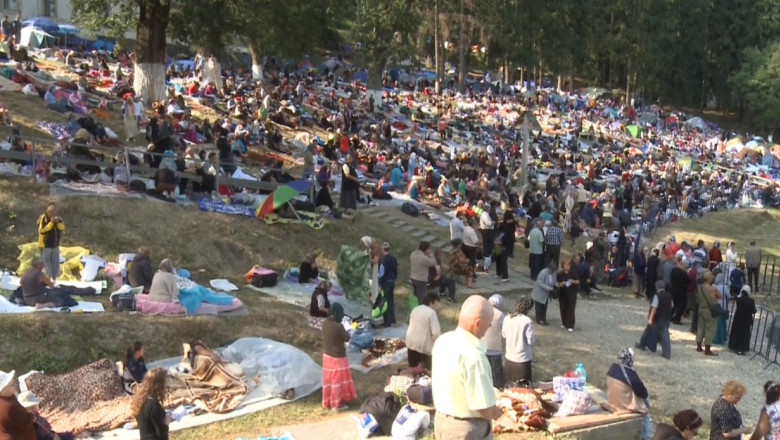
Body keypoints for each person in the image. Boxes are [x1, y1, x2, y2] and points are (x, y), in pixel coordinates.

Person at [432, 295, 503, 440]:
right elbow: (484, 408)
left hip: (442, 421)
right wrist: (499, 413)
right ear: (477, 323)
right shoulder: (474, 356)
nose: (489, 326)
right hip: (466, 429)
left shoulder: (442, 341)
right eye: (488, 323)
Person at [606, 348, 651, 440]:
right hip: (625, 405)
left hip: (612, 400)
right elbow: (643, 392)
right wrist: (648, 404)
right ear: (629, 359)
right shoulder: (630, 374)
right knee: (646, 415)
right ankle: (644, 437)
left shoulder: (612, 368)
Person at [321, 303, 357, 410]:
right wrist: (351, 329)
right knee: (338, 382)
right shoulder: (339, 326)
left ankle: (327, 401)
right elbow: (347, 338)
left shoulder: (324, 323)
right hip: (338, 357)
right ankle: (336, 404)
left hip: (327, 356)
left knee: (329, 381)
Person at [502, 297, 535, 386]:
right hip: (522, 360)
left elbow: (504, 335)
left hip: (509, 358)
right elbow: (530, 341)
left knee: (509, 386)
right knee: (523, 388)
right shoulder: (527, 321)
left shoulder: (507, 318)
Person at [636, 280, 673, 359]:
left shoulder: (657, 295)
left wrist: (650, 318)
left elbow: (654, 308)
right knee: (665, 335)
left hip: (657, 318)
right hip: (666, 318)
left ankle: (643, 344)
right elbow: (671, 306)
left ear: (657, 286)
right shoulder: (669, 295)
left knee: (648, 330)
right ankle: (666, 353)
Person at [406, 293, 442, 370]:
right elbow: (436, 333)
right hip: (424, 347)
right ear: (431, 302)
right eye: (436, 304)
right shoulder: (431, 313)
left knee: (412, 369)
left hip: (410, 344)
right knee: (427, 372)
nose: (437, 307)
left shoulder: (415, 309)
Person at [131, 367, 170, 440]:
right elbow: (161, 434)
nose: (167, 383)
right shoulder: (153, 405)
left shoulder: (139, 400)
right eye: (166, 380)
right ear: (159, 384)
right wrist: (166, 422)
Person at [0, 369, 36, 440]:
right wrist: (31, 414)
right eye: (12, 385)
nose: (15, 385)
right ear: (2, 390)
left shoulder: (8, 398)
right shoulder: (10, 406)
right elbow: (25, 425)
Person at [481, 294, 505, 388]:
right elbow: (504, 329)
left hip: (483, 344)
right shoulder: (500, 314)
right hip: (495, 346)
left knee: (485, 369)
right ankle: (497, 387)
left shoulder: (483, 312)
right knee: (496, 371)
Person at [696, 270, 722, 356]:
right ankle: (707, 349)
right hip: (710, 311)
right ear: (708, 279)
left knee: (700, 327)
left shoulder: (699, 287)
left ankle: (699, 346)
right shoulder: (713, 289)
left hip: (701, 309)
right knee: (710, 329)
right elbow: (720, 296)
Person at [37, 204, 65, 283]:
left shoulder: (58, 219)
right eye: (50, 213)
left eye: (54, 213)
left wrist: (57, 223)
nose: (52, 215)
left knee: (55, 263)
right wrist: (51, 223)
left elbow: (62, 228)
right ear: (47, 212)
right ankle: (47, 280)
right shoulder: (43, 218)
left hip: (55, 245)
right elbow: (42, 230)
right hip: (45, 246)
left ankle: (54, 280)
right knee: (46, 264)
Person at [728, 285, 757, 356]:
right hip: (746, 319)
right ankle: (741, 348)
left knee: (736, 332)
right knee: (744, 334)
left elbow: (736, 297)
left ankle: (733, 345)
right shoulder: (751, 301)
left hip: (738, 317)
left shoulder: (739, 299)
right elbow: (754, 310)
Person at [410, 241, 437, 305]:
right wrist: (430, 254)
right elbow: (433, 262)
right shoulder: (424, 258)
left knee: (415, 295)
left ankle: (413, 308)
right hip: (421, 279)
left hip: (413, 277)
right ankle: (419, 309)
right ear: (426, 249)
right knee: (420, 297)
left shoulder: (413, 254)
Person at [378, 242, 398, 326]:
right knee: (391, 301)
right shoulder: (393, 259)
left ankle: (387, 322)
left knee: (384, 302)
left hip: (385, 283)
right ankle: (393, 319)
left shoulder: (384, 260)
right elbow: (396, 270)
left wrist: (379, 283)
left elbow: (382, 273)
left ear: (383, 250)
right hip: (392, 282)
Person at [557, 258, 580, 332]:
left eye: (569, 265)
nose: (567, 266)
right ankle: (564, 322)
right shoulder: (560, 274)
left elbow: (578, 281)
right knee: (563, 308)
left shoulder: (573, 273)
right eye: (566, 265)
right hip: (563, 294)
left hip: (572, 294)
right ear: (563, 266)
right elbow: (557, 284)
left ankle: (570, 325)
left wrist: (573, 281)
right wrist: (561, 284)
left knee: (570, 310)